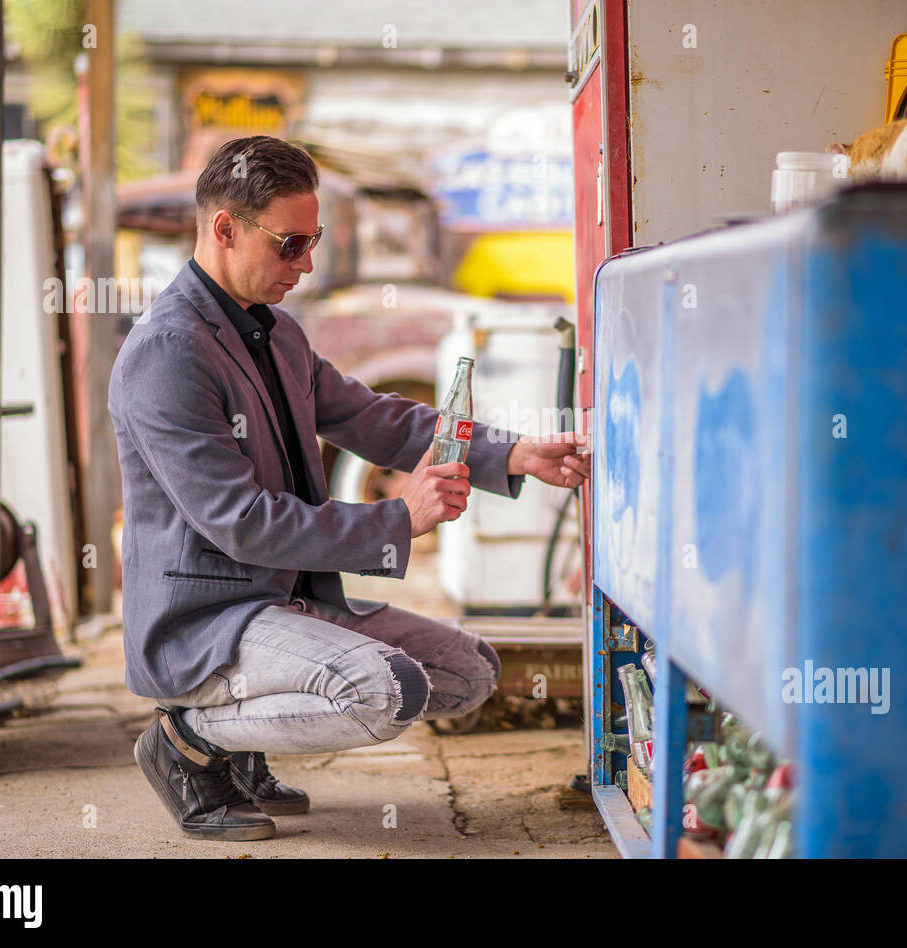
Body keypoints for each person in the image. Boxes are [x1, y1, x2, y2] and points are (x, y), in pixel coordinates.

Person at [107, 135, 590, 841]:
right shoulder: (166, 354)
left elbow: (375, 419)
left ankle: (242, 752)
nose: (305, 265)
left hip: (281, 600)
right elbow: (241, 522)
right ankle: (188, 742)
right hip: (206, 622)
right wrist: (397, 520)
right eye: (291, 244)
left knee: (468, 672)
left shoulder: (275, 334)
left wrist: (510, 454)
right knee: (387, 688)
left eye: (314, 242)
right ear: (224, 229)